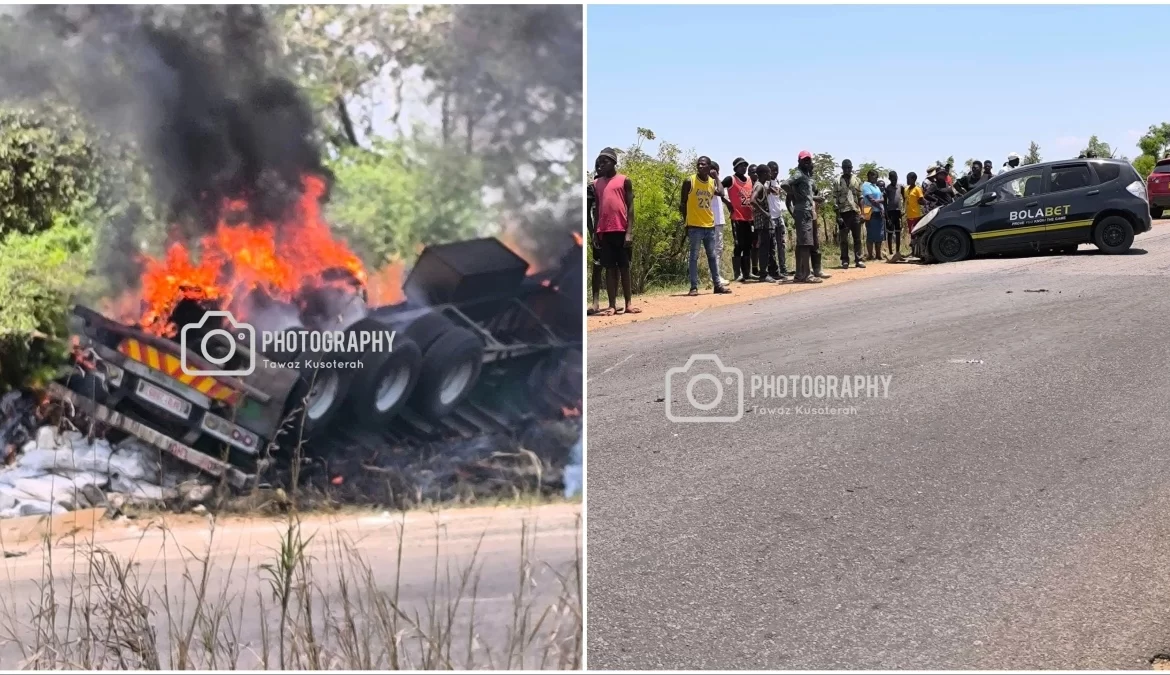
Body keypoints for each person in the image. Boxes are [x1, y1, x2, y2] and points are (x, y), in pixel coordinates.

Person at [592, 148, 639, 315]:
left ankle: (629, 304)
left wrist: (629, 232)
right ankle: (612, 305)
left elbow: (630, 207)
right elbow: (597, 209)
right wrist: (596, 232)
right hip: (605, 231)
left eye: (605, 162)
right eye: (599, 162)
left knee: (624, 268)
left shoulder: (624, 180)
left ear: (614, 162)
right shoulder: (596, 184)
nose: (601, 165)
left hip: (621, 229)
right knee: (609, 269)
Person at [679, 156, 732, 296]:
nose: (700, 167)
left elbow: (721, 192)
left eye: (703, 165)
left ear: (709, 167)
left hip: (709, 225)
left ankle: (717, 285)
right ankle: (694, 287)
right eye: (699, 164)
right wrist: (686, 222)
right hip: (694, 226)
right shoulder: (689, 181)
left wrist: (716, 178)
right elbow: (682, 204)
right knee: (694, 257)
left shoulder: (710, 182)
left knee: (712, 256)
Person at [790, 151, 831, 283]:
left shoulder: (806, 177)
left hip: (807, 212)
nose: (807, 162)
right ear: (799, 161)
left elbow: (809, 195)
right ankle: (807, 275)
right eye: (804, 160)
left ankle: (800, 274)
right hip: (802, 211)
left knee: (805, 243)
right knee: (805, 244)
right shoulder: (798, 175)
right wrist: (796, 195)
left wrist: (811, 198)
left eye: (809, 160)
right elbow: (786, 184)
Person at [725, 157, 755, 283]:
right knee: (739, 245)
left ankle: (747, 273)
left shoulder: (749, 180)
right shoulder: (730, 179)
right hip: (737, 217)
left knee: (748, 245)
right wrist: (727, 202)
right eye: (741, 165)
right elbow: (718, 189)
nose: (744, 167)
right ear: (736, 168)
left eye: (745, 165)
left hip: (748, 218)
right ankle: (737, 274)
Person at [832, 159, 864, 269]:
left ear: (851, 168)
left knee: (857, 238)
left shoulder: (857, 180)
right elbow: (834, 200)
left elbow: (860, 198)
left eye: (849, 167)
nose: (847, 170)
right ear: (842, 168)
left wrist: (862, 213)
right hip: (843, 214)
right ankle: (844, 261)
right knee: (844, 239)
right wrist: (838, 216)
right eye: (845, 167)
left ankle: (858, 260)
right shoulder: (837, 181)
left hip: (855, 212)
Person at [751, 164, 781, 282]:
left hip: (765, 223)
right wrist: (765, 213)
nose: (770, 175)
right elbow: (752, 200)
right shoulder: (759, 186)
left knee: (768, 248)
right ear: (764, 174)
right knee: (764, 248)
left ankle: (769, 272)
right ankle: (763, 274)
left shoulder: (761, 186)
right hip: (763, 223)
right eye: (768, 173)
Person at [766, 160, 791, 279]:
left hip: (779, 216)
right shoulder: (765, 183)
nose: (775, 173)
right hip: (771, 217)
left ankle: (783, 268)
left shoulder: (776, 182)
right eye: (773, 171)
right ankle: (774, 270)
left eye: (777, 171)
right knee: (773, 245)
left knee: (781, 244)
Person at [709, 161, 731, 286]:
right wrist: (716, 177)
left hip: (718, 220)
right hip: (713, 221)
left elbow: (722, 193)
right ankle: (715, 276)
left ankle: (715, 275)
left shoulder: (716, 183)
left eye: (716, 171)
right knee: (715, 249)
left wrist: (728, 203)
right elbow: (721, 192)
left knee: (718, 248)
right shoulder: (708, 183)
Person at [586, 180, 605, 315]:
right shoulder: (591, 187)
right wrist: (592, 232)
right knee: (597, 265)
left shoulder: (617, 183)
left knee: (614, 266)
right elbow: (587, 214)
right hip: (598, 233)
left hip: (615, 230)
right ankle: (595, 302)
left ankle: (613, 303)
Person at [898, 170, 926, 261]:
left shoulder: (917, 189)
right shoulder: (906, 189)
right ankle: (913, 251)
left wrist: (921, 202)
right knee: (912, 234)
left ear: (914, 179)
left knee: (917, 234)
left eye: (909, 179)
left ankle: (920, 251)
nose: (907, 180)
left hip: (917, 215)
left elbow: (922, 200)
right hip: (909, 215)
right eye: (907, 179)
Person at [861, 169, 885, 261]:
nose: (876, 178)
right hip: (869, 211)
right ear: (870, 176)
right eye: (875, 176)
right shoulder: (866, 186)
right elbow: (871, 200)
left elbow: (882, 198)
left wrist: (879, 203)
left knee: (879, 234)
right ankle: (870, 255)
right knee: (870, 234)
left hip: (878, 211)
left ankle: (878, 255)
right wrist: (880, 207)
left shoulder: (876, 186)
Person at [883, 170, 904, 260]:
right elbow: (884, 202)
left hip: (898, 211)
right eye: (892, 179)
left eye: (895, 179)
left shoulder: (900, 187)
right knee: (890, 232)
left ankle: (898, 251)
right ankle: (891, 251)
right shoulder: (887, 188)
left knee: (898, 232)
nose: (894, 180)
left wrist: (903, 210)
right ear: (890, 179)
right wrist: (886, 215)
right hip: (890, 212)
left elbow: (904, 197)